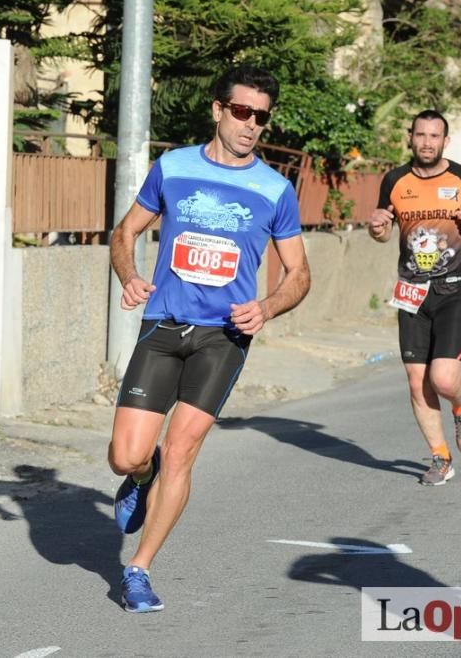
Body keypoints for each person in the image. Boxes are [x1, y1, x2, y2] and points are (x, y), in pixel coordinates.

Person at [106, 64, 311, 613]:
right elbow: (124, 232)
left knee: (181, 451)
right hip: (164, 325)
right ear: (218, 110)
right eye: (242, 112)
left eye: (261, 117)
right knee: (127, 456)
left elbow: (299, 275)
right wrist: (130, 277)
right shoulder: (172, 169)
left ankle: (138, 570)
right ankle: (138, 480)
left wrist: (266, 307)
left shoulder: (275, 189)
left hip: (223, 338)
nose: (251, 125)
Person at [368, 109, 461, 486]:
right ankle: (441, 459)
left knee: (443, 377)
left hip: (456, 288)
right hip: (411, 291)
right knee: (415, 380)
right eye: (420, 135)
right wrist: (377, 227)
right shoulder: (394, 180)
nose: (427, 142)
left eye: (434, 136)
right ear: (410, 137)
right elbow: (382, 229)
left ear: (446, 141)